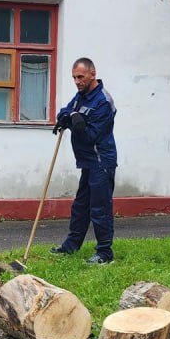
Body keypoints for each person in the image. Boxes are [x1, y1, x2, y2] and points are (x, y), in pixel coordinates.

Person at [50, 57, 118, 264]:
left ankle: (105, 253)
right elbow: (66, 111)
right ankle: (71, 246)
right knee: (80, 206)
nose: (77, 81)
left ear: (92, 74)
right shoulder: (81, 96)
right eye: (74, 78)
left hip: (101, 162)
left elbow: (89, 135)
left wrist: (74, 122)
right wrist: (69, 117)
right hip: (87, 162)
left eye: (80, 77)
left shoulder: (103, 102)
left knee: (99, 208)